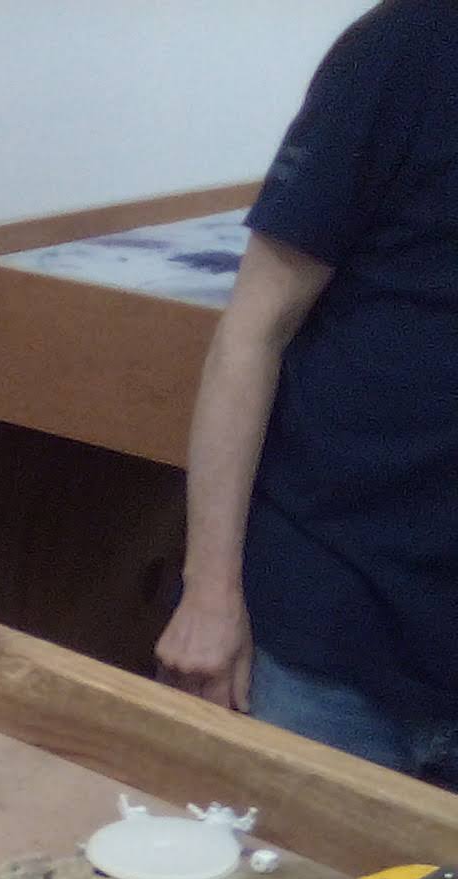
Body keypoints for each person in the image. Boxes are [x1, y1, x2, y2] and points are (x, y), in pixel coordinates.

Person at [154, 0, 458, 786]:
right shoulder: (409, 47)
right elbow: (253, 330)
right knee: (268, 866)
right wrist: (210, 595)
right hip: (335, 623)